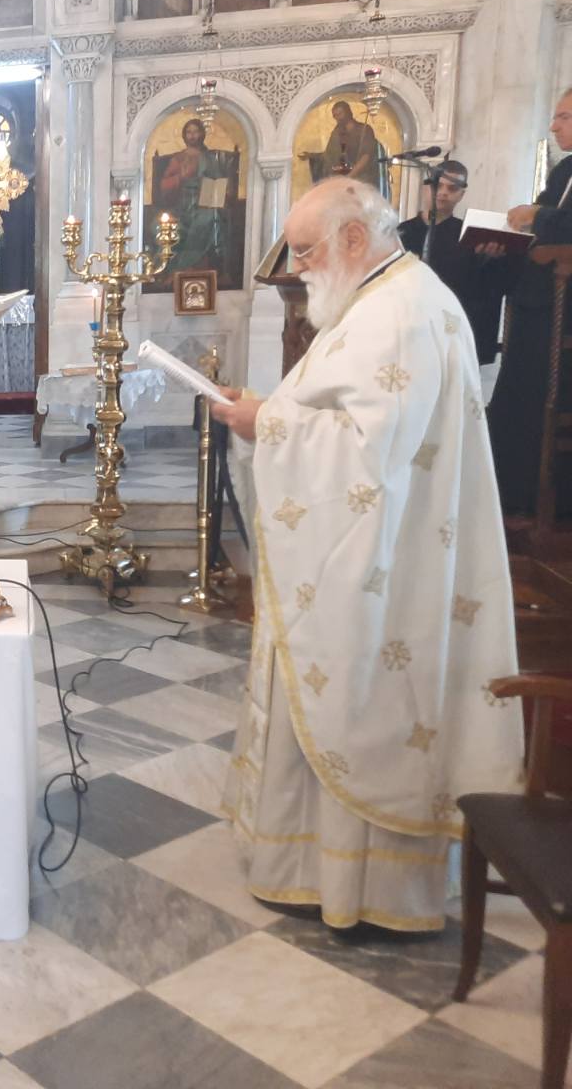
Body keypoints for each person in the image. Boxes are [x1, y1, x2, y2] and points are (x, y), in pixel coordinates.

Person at [211, 178, 523, 932]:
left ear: (354, 238)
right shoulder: (387, 295)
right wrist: (272, 412)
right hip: (380, 551)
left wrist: (266, 424)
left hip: (382, 567)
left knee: (365, 709)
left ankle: (358, 890)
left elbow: (367, 455)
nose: (299, 268)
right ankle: (305, 867)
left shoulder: (400, 312)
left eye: (306, 251)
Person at [489, 85, 572, 518]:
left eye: (564, 117)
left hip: (564, 312)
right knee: (518, 395)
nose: (553, 126)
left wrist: (537, 216)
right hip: (539, 304)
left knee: (543, 400)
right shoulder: (565, 170)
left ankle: (546, 504)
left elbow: (554, 221)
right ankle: (511, 495)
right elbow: (541, 216)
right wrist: (508, 237)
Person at [396, 159, 510, 402]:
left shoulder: (470, 236)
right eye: (438, 185)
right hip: (406, 331)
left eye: (452, 188)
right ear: (425, 186)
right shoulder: (400, 233)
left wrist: (490, 260)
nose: (443, 193)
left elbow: (485, 290)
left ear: (462, 194)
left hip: (451, 335)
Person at [157, 117, 237, 279]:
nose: (192, 136)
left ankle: (190, 268)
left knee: (207, 219)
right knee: (161, 226)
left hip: (205, 204)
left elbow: (220, 182)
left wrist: (224, 190)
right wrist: (181, 177)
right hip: (182, 205)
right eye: (189, 132)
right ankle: (172, 270)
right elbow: (165, 185)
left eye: (195, 132)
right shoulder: (178, 159)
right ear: (184, 135)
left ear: (202, 134)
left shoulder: (210, 158)